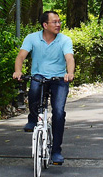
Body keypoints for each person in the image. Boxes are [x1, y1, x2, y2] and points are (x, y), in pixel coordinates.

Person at [13, 10, 75, 165]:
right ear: (45, 25)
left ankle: (56, 151)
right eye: (54, 22)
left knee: (59, 112)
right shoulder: (32, 38)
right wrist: (18, 71)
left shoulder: (64, 40)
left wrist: (70, 73)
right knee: (34, 88)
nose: (58, 24)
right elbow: (21, 56)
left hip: (59, 79)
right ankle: (33, 119)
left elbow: (69, 58)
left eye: (59, 21)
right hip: (39, 76)